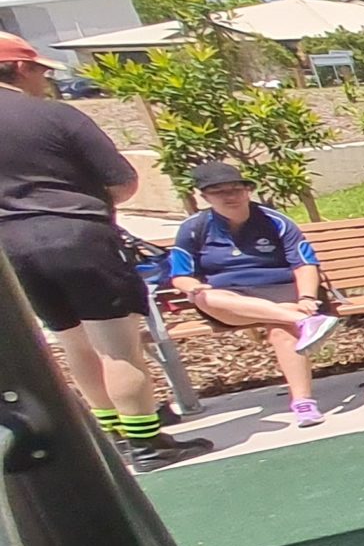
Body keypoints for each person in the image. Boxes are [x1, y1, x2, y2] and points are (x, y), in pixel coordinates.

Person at [0, 32, 210, 468]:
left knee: (72, 342)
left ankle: (112, 437)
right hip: (77, 237)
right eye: (39, 69)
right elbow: (124, 181)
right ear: (19, 68)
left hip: (10, 250)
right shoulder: (56, 116)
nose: (44, 78)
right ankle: (145, 443)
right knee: (117, 346)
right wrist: (86, 203)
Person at [166, 161, 339, 427]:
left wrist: (305, 298)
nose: (230, 196)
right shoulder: (193, 228)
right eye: (218, 191)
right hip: (229, 301)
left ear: (248, 191)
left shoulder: (275, 221)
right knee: (204, 297)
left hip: (281, 290)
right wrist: (192, 287)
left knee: (282, 328)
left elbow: (305, 264)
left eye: (236, 189)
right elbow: (180, 275)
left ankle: (303, 403)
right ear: (204, 197)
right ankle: (303, 321)